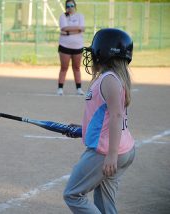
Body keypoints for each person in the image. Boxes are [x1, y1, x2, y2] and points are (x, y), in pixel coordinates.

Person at [63, 28, 135, 213]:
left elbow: (117, 117)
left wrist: (111, 154)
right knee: (104, 203)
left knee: (72, 194)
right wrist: (83, 129)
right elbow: (107, 116)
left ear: (102, 53)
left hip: (106, 151)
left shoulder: (108, 79)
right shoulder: (113, 78)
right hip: (120, 148)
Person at [57, 0, 85, 96]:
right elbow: (64, 28)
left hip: (78, 46)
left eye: (72, 5)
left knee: (76, 67)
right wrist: (76, 29)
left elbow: (82, 28)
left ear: (75, 6)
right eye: (68, 6)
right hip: (65, 46)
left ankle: (79, 88)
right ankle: (60, 88)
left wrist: (68, 32)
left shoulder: (80, 16)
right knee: (64, 67)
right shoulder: (63, 16)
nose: (70, 7)